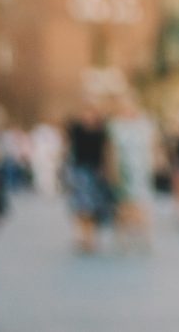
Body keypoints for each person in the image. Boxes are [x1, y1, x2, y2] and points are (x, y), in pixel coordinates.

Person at [106, 90, 157, 253]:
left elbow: (153, 145)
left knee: (141, 202)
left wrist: (155, 162)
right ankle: (122, 238)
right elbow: (111, 149)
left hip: (141, 167)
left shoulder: (145, 123)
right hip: (123, 167)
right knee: (123, 205)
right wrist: (112, 169)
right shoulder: (114, 125)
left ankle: (143, 236)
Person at [64, 100, 114, 252]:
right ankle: (81, 235)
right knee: (80, 206)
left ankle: (90, 237)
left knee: (92, 207)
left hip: (95, 172)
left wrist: (108, 170)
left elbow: (106, 151)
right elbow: (68, 148)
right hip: (79, 171)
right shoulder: (76, 129)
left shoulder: (101, 131)